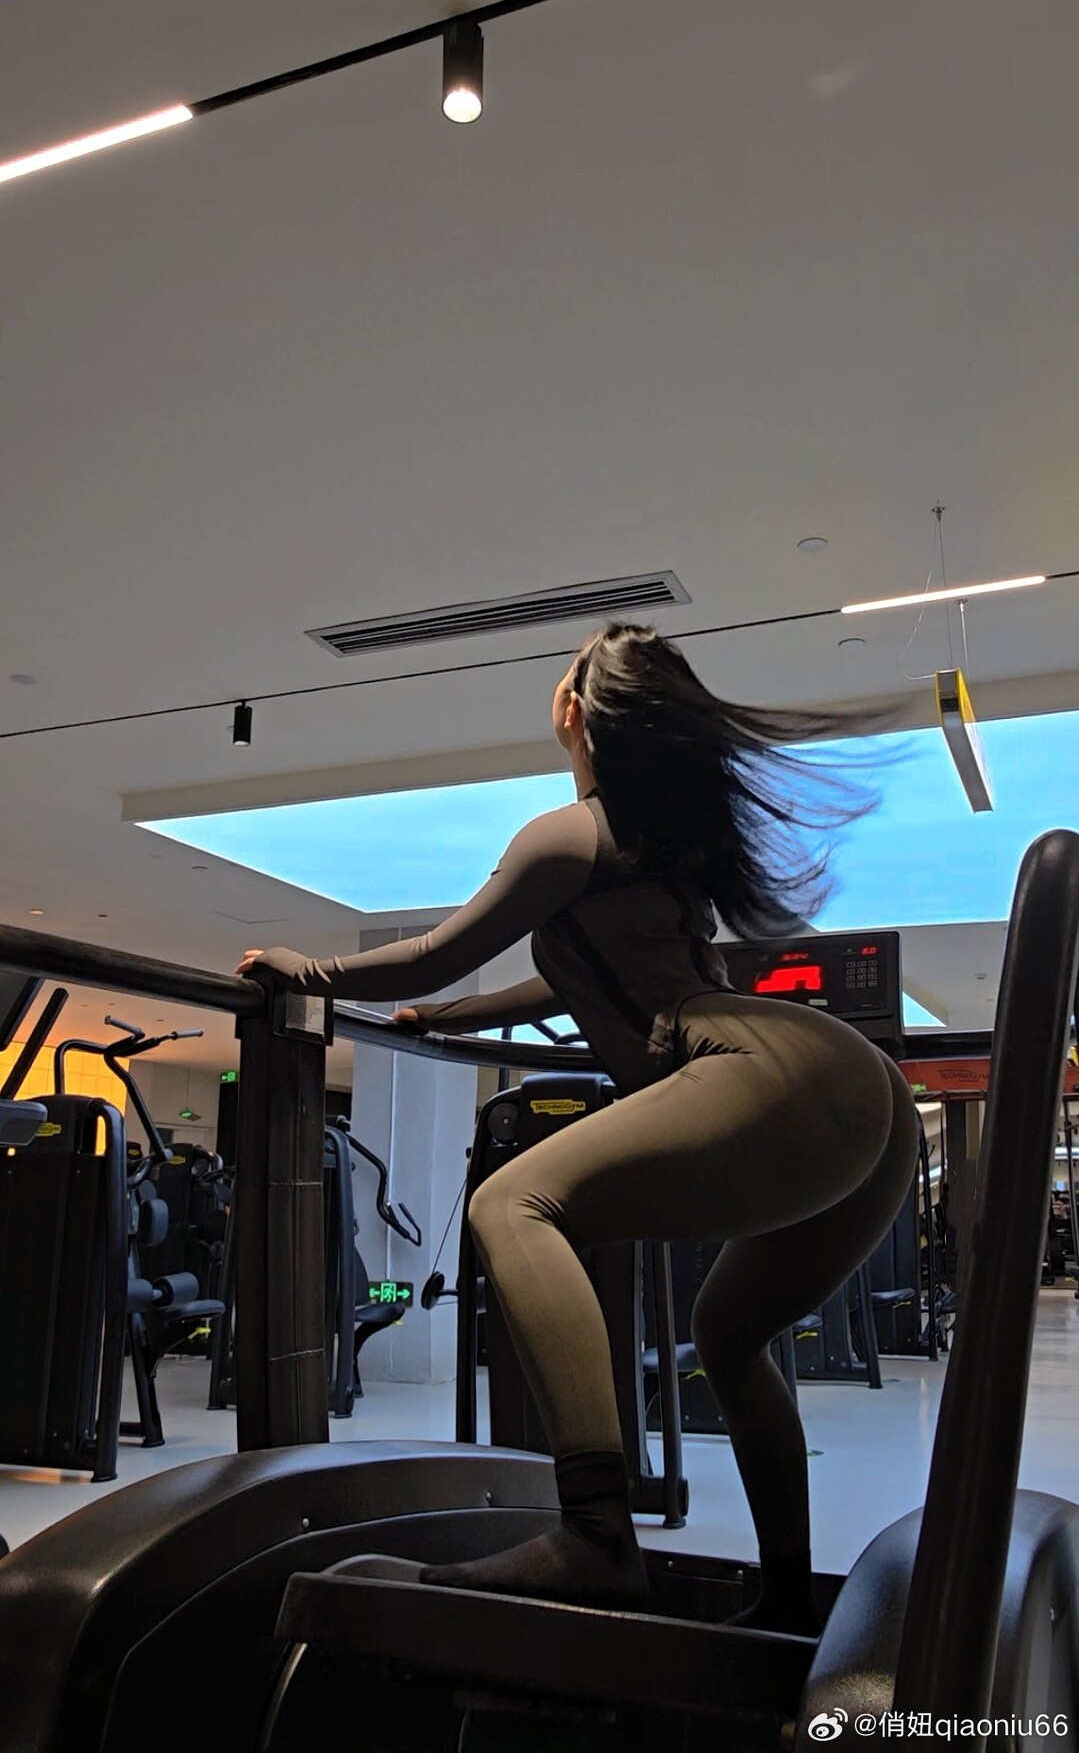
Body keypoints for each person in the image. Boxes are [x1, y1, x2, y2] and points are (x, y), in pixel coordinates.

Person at [237, 622, 919, 1632]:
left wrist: (311, 973)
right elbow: (564, 976)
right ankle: (783, 1597)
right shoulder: (660, 851)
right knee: (729, 1336)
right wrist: (454, 1018)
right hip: (862, 1091)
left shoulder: (566, 834)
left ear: (572, 711)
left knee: (511, 1204)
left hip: (752, 1068)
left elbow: (433, 950)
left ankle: (596, 1535)